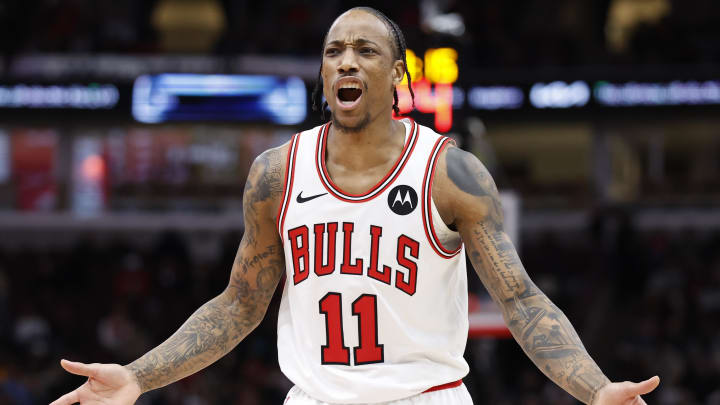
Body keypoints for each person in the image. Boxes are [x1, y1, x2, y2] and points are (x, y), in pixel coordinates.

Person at [50, 7, 660, 405]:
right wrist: (138, 376)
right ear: (322, 72)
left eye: (365, 51)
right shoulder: (275, 173)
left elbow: (521, 299)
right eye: (334, 50)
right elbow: (239, 303)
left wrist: (595, 388)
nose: (346, 60)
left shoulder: (450, 172)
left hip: (426, 397)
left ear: (396, 73)